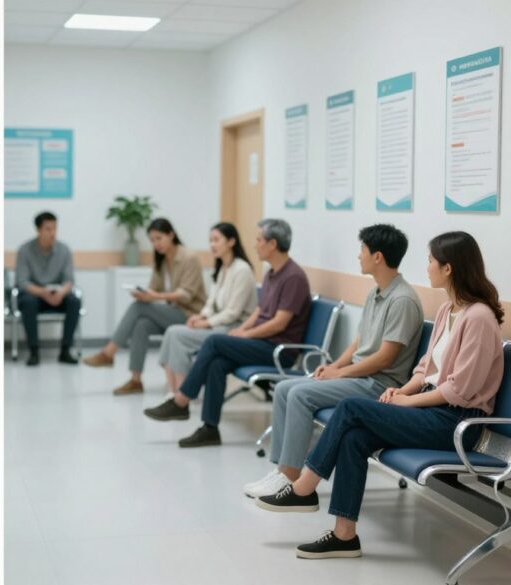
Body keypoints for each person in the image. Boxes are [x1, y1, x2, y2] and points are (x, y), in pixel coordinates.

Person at [256, 231, 504, 560]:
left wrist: (407, 401)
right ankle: (344, 536)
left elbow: (459, 390)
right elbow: (425, 367)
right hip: (431, 410)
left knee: (351, 409)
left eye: (430, 260)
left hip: (456, 424)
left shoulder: (480, 318)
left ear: (449, 268)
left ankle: (304, 488)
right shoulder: (448, 311)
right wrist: (401, 390)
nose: (426, 266)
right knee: (355, 437)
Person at [243, 224, 423, 498]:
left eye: (362, 250)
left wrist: (342, 373)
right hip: (358, 376)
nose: (358, 256)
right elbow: (357, 343)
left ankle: (291, 478)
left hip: (378, 384)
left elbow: (384, 358)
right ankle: (282, 471)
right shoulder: (375, 293)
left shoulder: (403, 300)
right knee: (283, 389)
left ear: (378, 257)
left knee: (301, 395)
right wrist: (335, 367)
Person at [143, 218, 311, 448]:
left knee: (213, 342)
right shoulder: (272, 273)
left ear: (272, 244)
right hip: (262, 342)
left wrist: (245, 336)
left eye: (259, 240)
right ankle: (210, 429)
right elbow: (260, 311)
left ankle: (181, 400)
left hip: (277, 350)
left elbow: (279, 324)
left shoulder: (293, 277)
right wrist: (240, 331)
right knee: (217, 363)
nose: (255, 245)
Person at [83, 218, 208, 395]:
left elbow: (186, 294)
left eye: (159, 238)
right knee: (141, 324)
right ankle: (136, 380)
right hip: (172, 313)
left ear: (171, 235)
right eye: (152, 240)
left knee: (138, 308)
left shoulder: (189, 258)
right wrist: (143, 294)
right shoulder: (161, 261)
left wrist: (154, 296)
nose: (156, 244)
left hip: (191, 315)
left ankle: (109, 352)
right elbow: (153, 289)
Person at [155, 222, 257, 400]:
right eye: (210, 240)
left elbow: (233, 312)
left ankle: (181, 393)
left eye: (216, 240)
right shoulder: (222, 268)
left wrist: (206, 323)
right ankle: (173, 391)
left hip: (234, 328)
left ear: (231, 242)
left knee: (177, 335)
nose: (212, 245)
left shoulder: (242, 270)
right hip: (220, 323)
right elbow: (211, 302)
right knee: (172, 332)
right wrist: (200, 316)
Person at [15, 211, 80, 366]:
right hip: (35, 295)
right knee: (28, 302)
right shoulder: (24, 250)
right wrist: (43, 293)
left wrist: (61, 293)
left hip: (57, 295)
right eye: (48, 229)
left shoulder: (64, 250)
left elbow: (69, 280)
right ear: (38, 230)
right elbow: (22, 282)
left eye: (55, 229)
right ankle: (34, 351)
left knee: (74, 301)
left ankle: (65, 350)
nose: (52, 233)